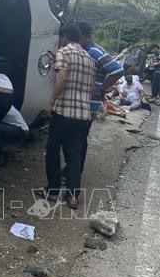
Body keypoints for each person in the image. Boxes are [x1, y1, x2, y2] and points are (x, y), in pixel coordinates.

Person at [41, 23, 95, 209]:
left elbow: (61, 79)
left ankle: (53, 190)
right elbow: (90, 87)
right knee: (74, 155)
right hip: (83, 115)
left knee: (52, 151)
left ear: (64, 37)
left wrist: (50, 103)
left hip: (63, 112)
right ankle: (72, 197)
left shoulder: (64, 52)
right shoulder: (88, 57)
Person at [63, 22, 122, 173]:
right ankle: (72, 170)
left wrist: (102, 88)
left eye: (79, 38)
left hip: (89, 103)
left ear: (88, 37)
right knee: (77, 139)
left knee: (77, 140)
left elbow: (117, 70)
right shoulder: (86, 49)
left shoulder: (95, 51)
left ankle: (73, 172)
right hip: (83, 102)